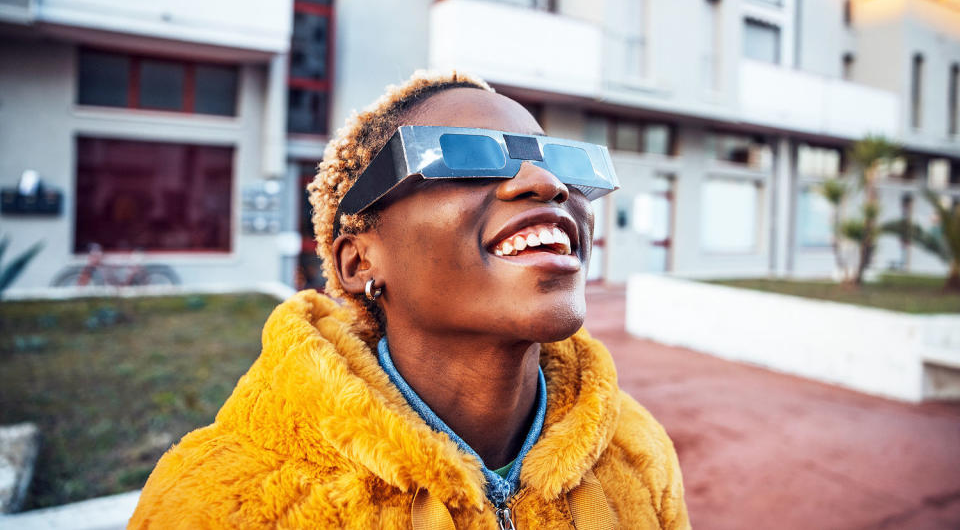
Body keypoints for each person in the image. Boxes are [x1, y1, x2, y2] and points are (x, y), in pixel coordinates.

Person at [129, 71, 690, 529]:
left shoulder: (638, 452)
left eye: (560, 162)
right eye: (465, 156)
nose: (545, 183)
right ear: (359, 264)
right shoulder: (214, 502)